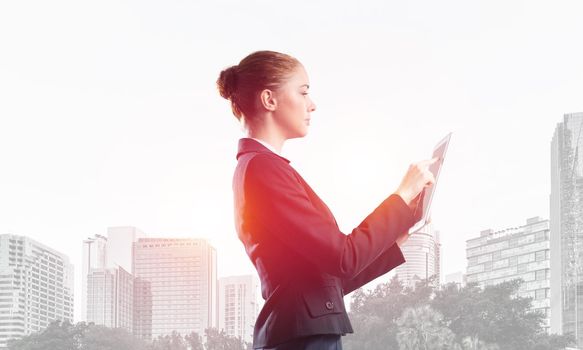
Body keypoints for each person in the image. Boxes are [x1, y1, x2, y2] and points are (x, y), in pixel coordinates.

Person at [217, 50, 436, 350]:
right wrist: (401, 196)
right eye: (303, 92)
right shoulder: (262, 168)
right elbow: (343, 258)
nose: (312, 105)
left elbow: (327, 281)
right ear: (270, 100)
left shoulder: (262, 167)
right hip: (302, 341)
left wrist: (395, 241)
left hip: (303, 336)